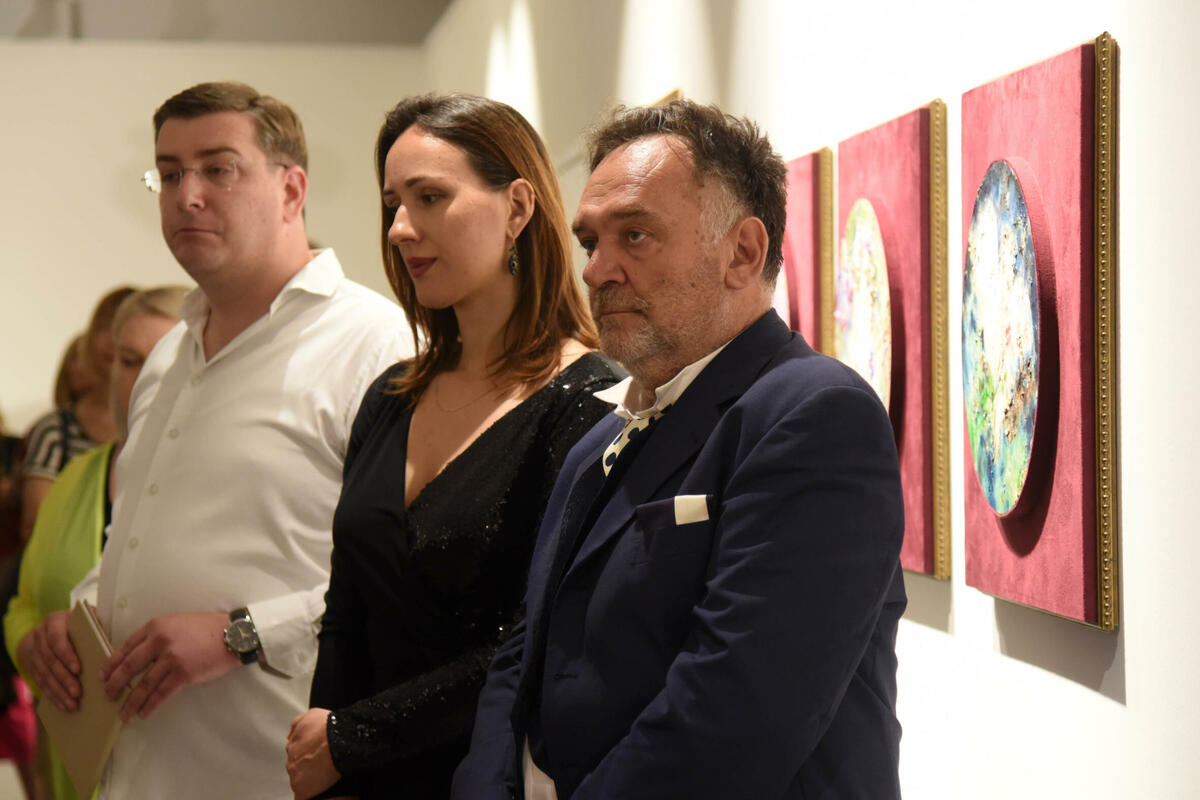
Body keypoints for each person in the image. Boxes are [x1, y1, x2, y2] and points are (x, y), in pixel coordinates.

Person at [452, 100, 907, 800]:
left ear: (742, 252)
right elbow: (525, 648)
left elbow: (733, 718)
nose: (596, 271)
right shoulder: (597, 441)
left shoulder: (816, 415)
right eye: (591, 242)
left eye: (634, 235)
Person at [20, 81, 412, 799]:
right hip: (137, 769)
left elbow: (407, 574)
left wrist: (243, 634)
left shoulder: (374, 343)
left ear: (292, 190)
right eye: (169, 174)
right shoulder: (168, 356)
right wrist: (81, 614)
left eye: (218, 169)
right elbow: (132, 539)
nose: (187, 196)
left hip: (271, 770)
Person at [284, 93, 621, 799]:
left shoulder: (589, 401)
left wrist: (352, 737)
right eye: (392, 205)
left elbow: (539, 639)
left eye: (430, 197)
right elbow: (347, 610)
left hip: (487, 777)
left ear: (518, 208)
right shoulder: (390, 397)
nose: (401, 228)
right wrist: (326, 751)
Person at [5, 286, 187, 800]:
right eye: (127, 361)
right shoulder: (76, 476)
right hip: (75, 760)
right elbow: (23, 601)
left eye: (163, 359)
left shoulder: (217, 485)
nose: (142, 379)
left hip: (176, 763)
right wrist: (32, 648)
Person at [19, 287, 134, 540]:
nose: (113, 339)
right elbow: (36, 524)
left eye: (125, 327)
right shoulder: (54, 431)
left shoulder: (157, 429)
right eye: (105, 326)